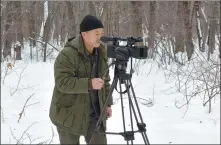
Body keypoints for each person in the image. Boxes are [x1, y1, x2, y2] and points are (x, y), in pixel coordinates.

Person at [49, 15, 113, 144]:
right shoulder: (68, 54)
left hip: (95, 113)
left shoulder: (101, 52)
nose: (100, 37)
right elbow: (62, 83)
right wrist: (89, 84)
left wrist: (107, 103)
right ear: (84, 34)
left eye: (101, 33)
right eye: (96, 33)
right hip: (69, 115)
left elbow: (105, 80)